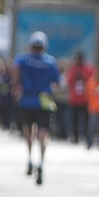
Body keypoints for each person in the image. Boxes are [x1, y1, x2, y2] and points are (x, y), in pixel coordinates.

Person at [13, 32, 61, 184]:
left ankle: (29, 158)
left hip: (27, 100)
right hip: (45, 100)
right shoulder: (50, 62)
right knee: (43, 133)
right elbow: (57, 82)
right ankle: (41, 161)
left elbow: (14, 71)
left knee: (28, 131)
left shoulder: (23, 59)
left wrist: (17, 86)